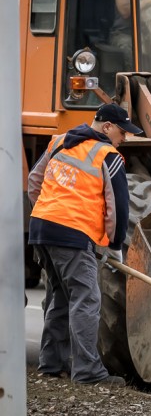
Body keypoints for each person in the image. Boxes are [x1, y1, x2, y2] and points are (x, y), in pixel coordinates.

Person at [27, 104, 143, 385]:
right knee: (87, 299)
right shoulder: (108, 156)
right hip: (72, 235)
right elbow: (118, 207)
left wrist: (48, 213)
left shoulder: (59, 141)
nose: (124, 138)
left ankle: (51, 365)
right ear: (106, 127)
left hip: (41, 229)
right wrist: (115, 245)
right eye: (122, 131)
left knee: (60, 297)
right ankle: (88, 372)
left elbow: (34, 181)